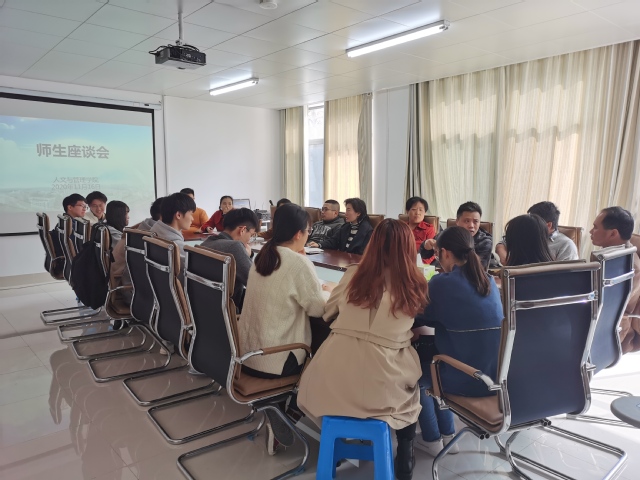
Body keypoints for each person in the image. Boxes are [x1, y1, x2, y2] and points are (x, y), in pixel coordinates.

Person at [298, 219, 429, 480]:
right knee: (410, 397)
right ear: (409, 248)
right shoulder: (417, 282)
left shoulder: (353, 274)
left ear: (373, 243)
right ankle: (405, 453)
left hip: (333, 377)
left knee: (330, 381)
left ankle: (336, 444)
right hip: (384, 378)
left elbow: (328, 312)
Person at [239, 203, 327, 456]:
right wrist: (327, 291)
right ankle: (289, 414)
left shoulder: (264, 255)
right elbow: (318, 309)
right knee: (328, 353)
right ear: (299, 233)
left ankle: (278, 409)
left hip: (248, 356)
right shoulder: (297, 263)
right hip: (277, 361)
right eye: (308, 230)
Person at [412, 226, 502, 457]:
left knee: (415, 376)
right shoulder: (488, 281)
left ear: (445, 253)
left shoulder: (442, 283)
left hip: (466, 379)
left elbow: (419, 316)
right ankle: (449, 435)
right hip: (494, 377)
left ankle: (432, 439)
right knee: (436, 362)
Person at [590, 207, 640, 353]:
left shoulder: (629, 267)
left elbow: (609, 305)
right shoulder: (609, 255)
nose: (591, 231)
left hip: (611, 329)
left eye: (595, 227)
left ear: (613, 233)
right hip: (597, 319)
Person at [200, 208, 259, 310]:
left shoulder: (206, 243)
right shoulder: (234, 247)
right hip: (229, 313)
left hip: (206, 308)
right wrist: (248, 255)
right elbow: (256, 282)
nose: (249, 240)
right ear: (242, 230)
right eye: (251, 235)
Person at [112, 197, 164, 304]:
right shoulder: (151, 238)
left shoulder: (140, 230)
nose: (192, 218)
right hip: (130, 290)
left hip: (127, 286)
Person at [496, 201, 579, 264]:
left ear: (548, 225)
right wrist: (507, 262)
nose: (529, 223)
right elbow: (502, 244)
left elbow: (566, 277)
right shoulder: (526, 233)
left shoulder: (566, 245)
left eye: (535, 221)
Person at [421, 202, 493, 269]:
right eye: (467, 221)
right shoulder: (447, 234)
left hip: (466, 277)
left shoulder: (484, 241)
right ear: (457, 221)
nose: (471, 225)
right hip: (440, 272)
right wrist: (426, 246)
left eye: (475, 222)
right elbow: (424, 255)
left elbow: (478, 269)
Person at [150, 192, 196, 281]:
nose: (192, 219)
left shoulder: (154, 231)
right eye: (191, 214)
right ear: (178, 215)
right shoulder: (176, 246)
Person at [51, 194, 87, 258]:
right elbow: (79, 246)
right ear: (70, 207)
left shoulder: (64, 222)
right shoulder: (70, 226)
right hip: (75, 260)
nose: (84, 209)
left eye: (85, 206)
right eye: (82, 206)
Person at [404, 196, 436, 264]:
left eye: (421, 210)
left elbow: (432, 252)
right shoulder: (401, 227)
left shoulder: (428, 229)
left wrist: (421, 265)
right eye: (414, 209)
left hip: (420, 264)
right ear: (407, 211)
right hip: (402, 261)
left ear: (425, 212)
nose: (417, 213)